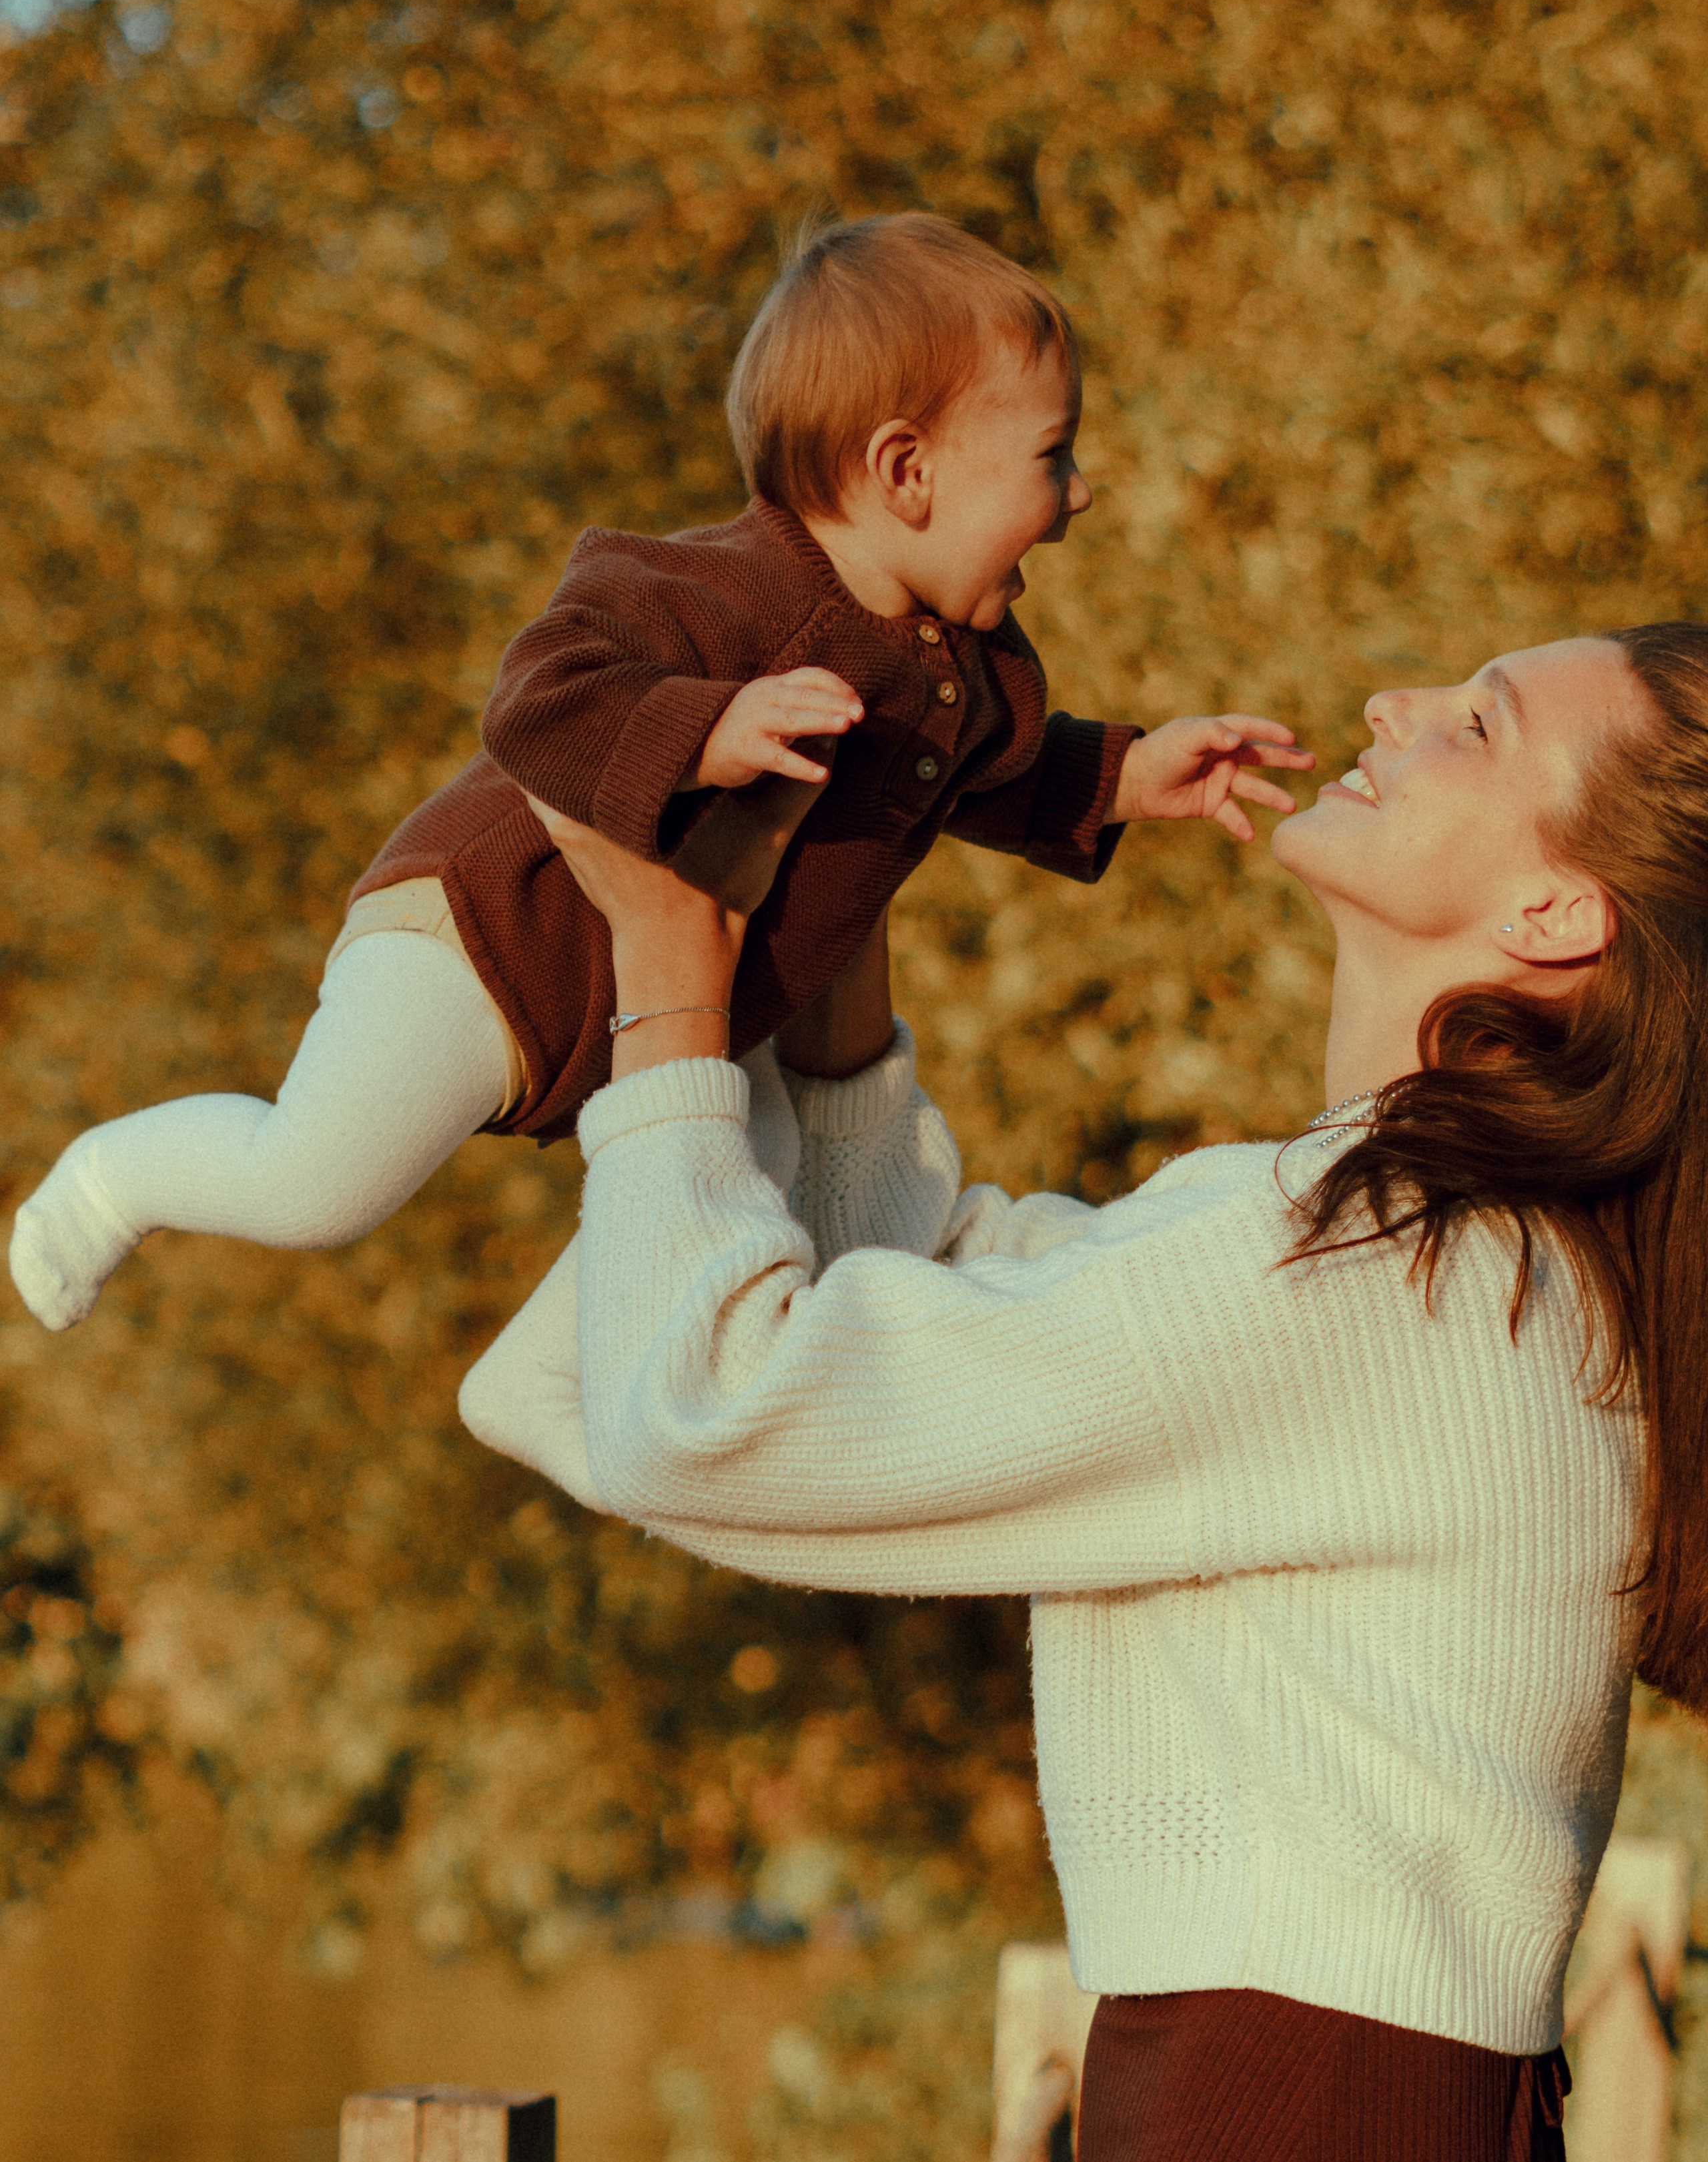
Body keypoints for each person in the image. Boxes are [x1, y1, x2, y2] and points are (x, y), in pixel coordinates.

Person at [462, 621, 1708, 2157]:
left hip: (1280, 2105)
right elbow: (935, 1304)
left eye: (1478, 723)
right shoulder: (1440, 1248)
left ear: (1554, 909)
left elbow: (717, 1414)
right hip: (1320, 2093)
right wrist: (844, 879)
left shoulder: (1380, 1267)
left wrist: (668, 977)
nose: (1394, 697)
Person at [9, 212, 1306, 1347]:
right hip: (478, 936)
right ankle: (112, 1176)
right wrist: (704, 729)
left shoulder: (956, 664)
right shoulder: (708, 584)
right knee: (318, 1183)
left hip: (675, 1010)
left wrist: (1128, 772)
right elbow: (538, 699)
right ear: (905, 471)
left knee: (760, 1221)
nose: (1079, 493)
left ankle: (704, 1395)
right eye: (1051, 456)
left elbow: (989, 774)